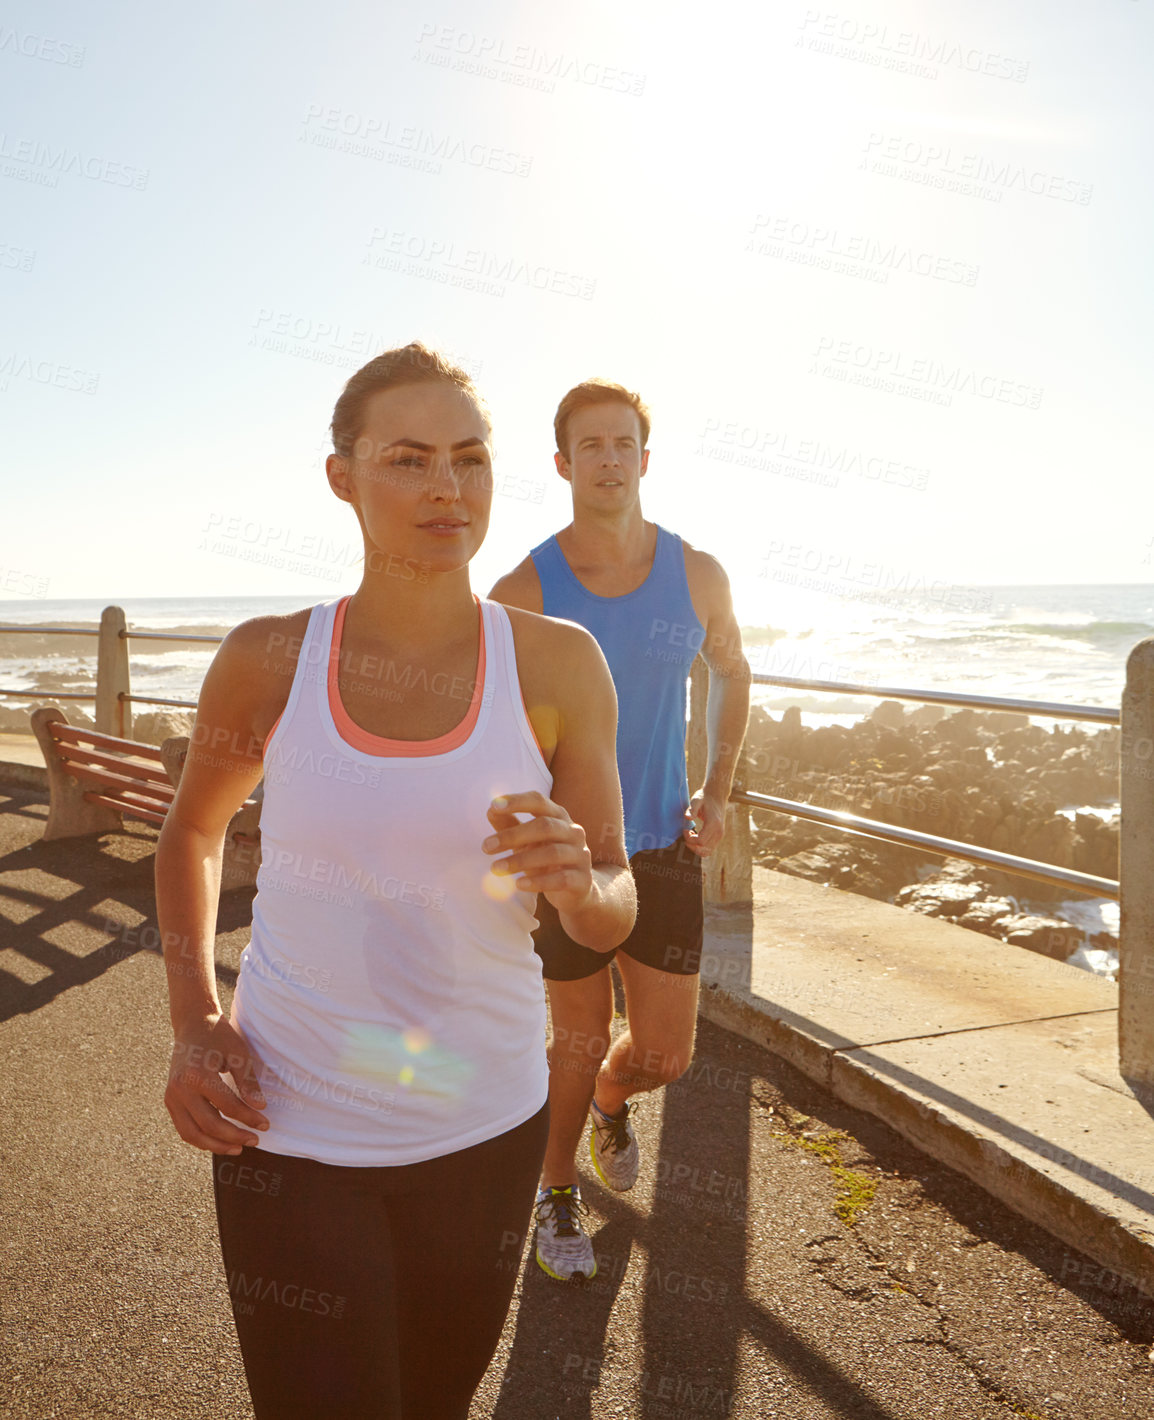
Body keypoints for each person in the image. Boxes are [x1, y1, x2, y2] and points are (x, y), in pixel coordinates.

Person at [155, 344, 636, 1418]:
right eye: (408, 459)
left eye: (468, 459)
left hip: (485, 1120)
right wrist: (195, 1017)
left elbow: (612, 898)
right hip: (289, 1119)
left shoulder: (557, 665)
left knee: (434, 1403)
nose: (444, 489)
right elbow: (191, 830)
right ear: (343, 476)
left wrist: (576, 883)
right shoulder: (270, 659)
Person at [490, 378, 751, 1281]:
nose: (609, 458)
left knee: (666, 1056)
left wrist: (716, 788)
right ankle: (554, 1191)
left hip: (665, 848)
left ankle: (612, 1102)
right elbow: (487, 716)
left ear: (646, 458)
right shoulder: (524, 587)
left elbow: (731, 671)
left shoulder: (698, 574)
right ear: (563, 464)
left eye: (624, 443)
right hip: (570, 855)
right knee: (574, 1037)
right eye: (590, 445)